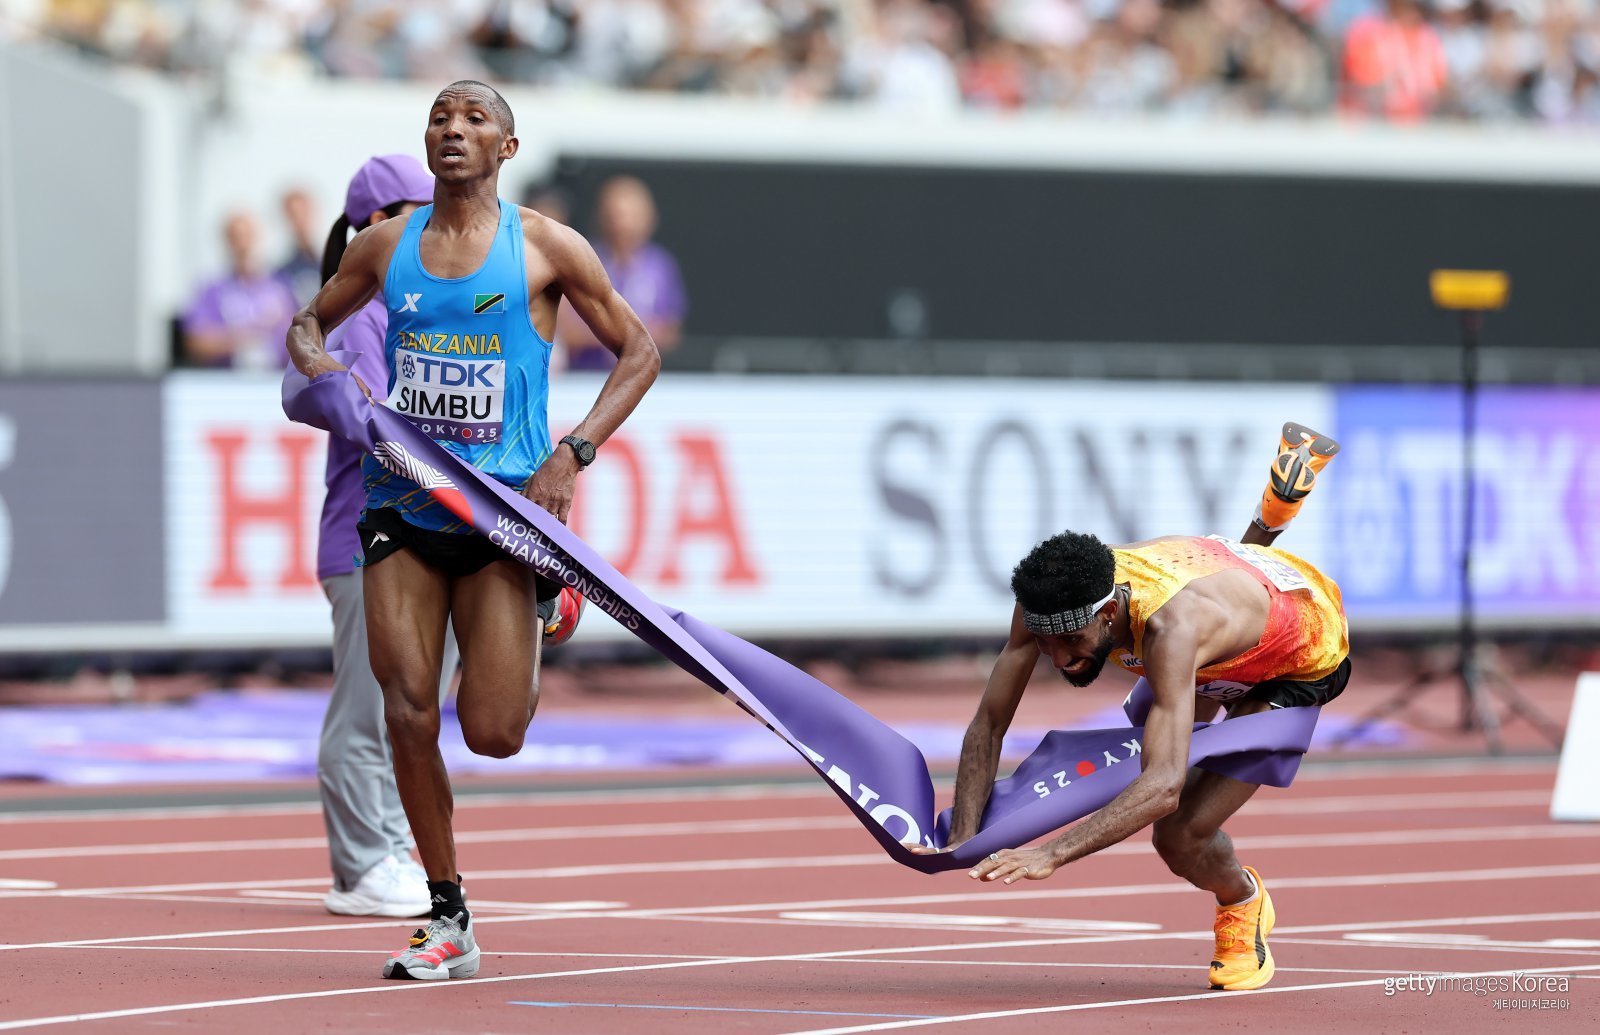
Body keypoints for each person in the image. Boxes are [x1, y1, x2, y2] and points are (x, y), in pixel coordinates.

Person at [286, 80, 660, 982]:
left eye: (474, 119)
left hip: (499, 515)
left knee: (492, 731)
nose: (454, 129)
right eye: (440, 119)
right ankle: (447, 914)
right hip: (401, 508)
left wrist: (572, 452)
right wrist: (327, 369)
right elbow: (307, 324)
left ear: (508, 147)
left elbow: (639, 353)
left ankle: (545, 598)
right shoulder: (384, 246)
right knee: (407, 711)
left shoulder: (545, 248)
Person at [914, 423, 1346, 993]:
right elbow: (989, 722)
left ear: (1107, 616)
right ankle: (1271, 516)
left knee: (1179, 834)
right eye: (1044, 644)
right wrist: (962, 839)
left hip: (1294, 662)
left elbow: (1163, 785)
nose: (1058, 658)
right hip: (1224, 600)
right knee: (1151, 725)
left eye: (1070, 643)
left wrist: (1052, 853)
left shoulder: (1169, 630)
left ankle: (1242, 902)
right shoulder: (1048, 606)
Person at [314, 154, 458, 920]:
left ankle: (394, 847)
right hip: (368, 537)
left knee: (418, 708)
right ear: (373, 223)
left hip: (433, 535)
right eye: (414, 209)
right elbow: (381, 423)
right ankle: (362, 862)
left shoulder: (423, 308)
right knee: (371, 706)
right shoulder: (359, 317)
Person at [558, 175, 685, 371]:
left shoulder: (661, 265)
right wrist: (626, 336)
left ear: (650, 218)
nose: (624, 225)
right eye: (616, 215)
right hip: (585, 378)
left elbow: (671, 330)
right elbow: (563, 331)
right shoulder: (583, 258)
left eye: (633, 216)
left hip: (643, 377)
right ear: (601, 217)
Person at [181, 210, 300, 369]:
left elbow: (300, 339)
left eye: (248, 236)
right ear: (226, 242)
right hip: (227, 382)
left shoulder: (281, 288)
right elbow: (196, 343)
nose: (243, 245)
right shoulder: (212, 291)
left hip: (274, 380)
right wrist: (246, 337)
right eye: (236, 237)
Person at [277, 186, 325, 306]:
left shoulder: (338, 261)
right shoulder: (281, 273)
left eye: (303, 213)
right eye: (293, 215)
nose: (299, 220)